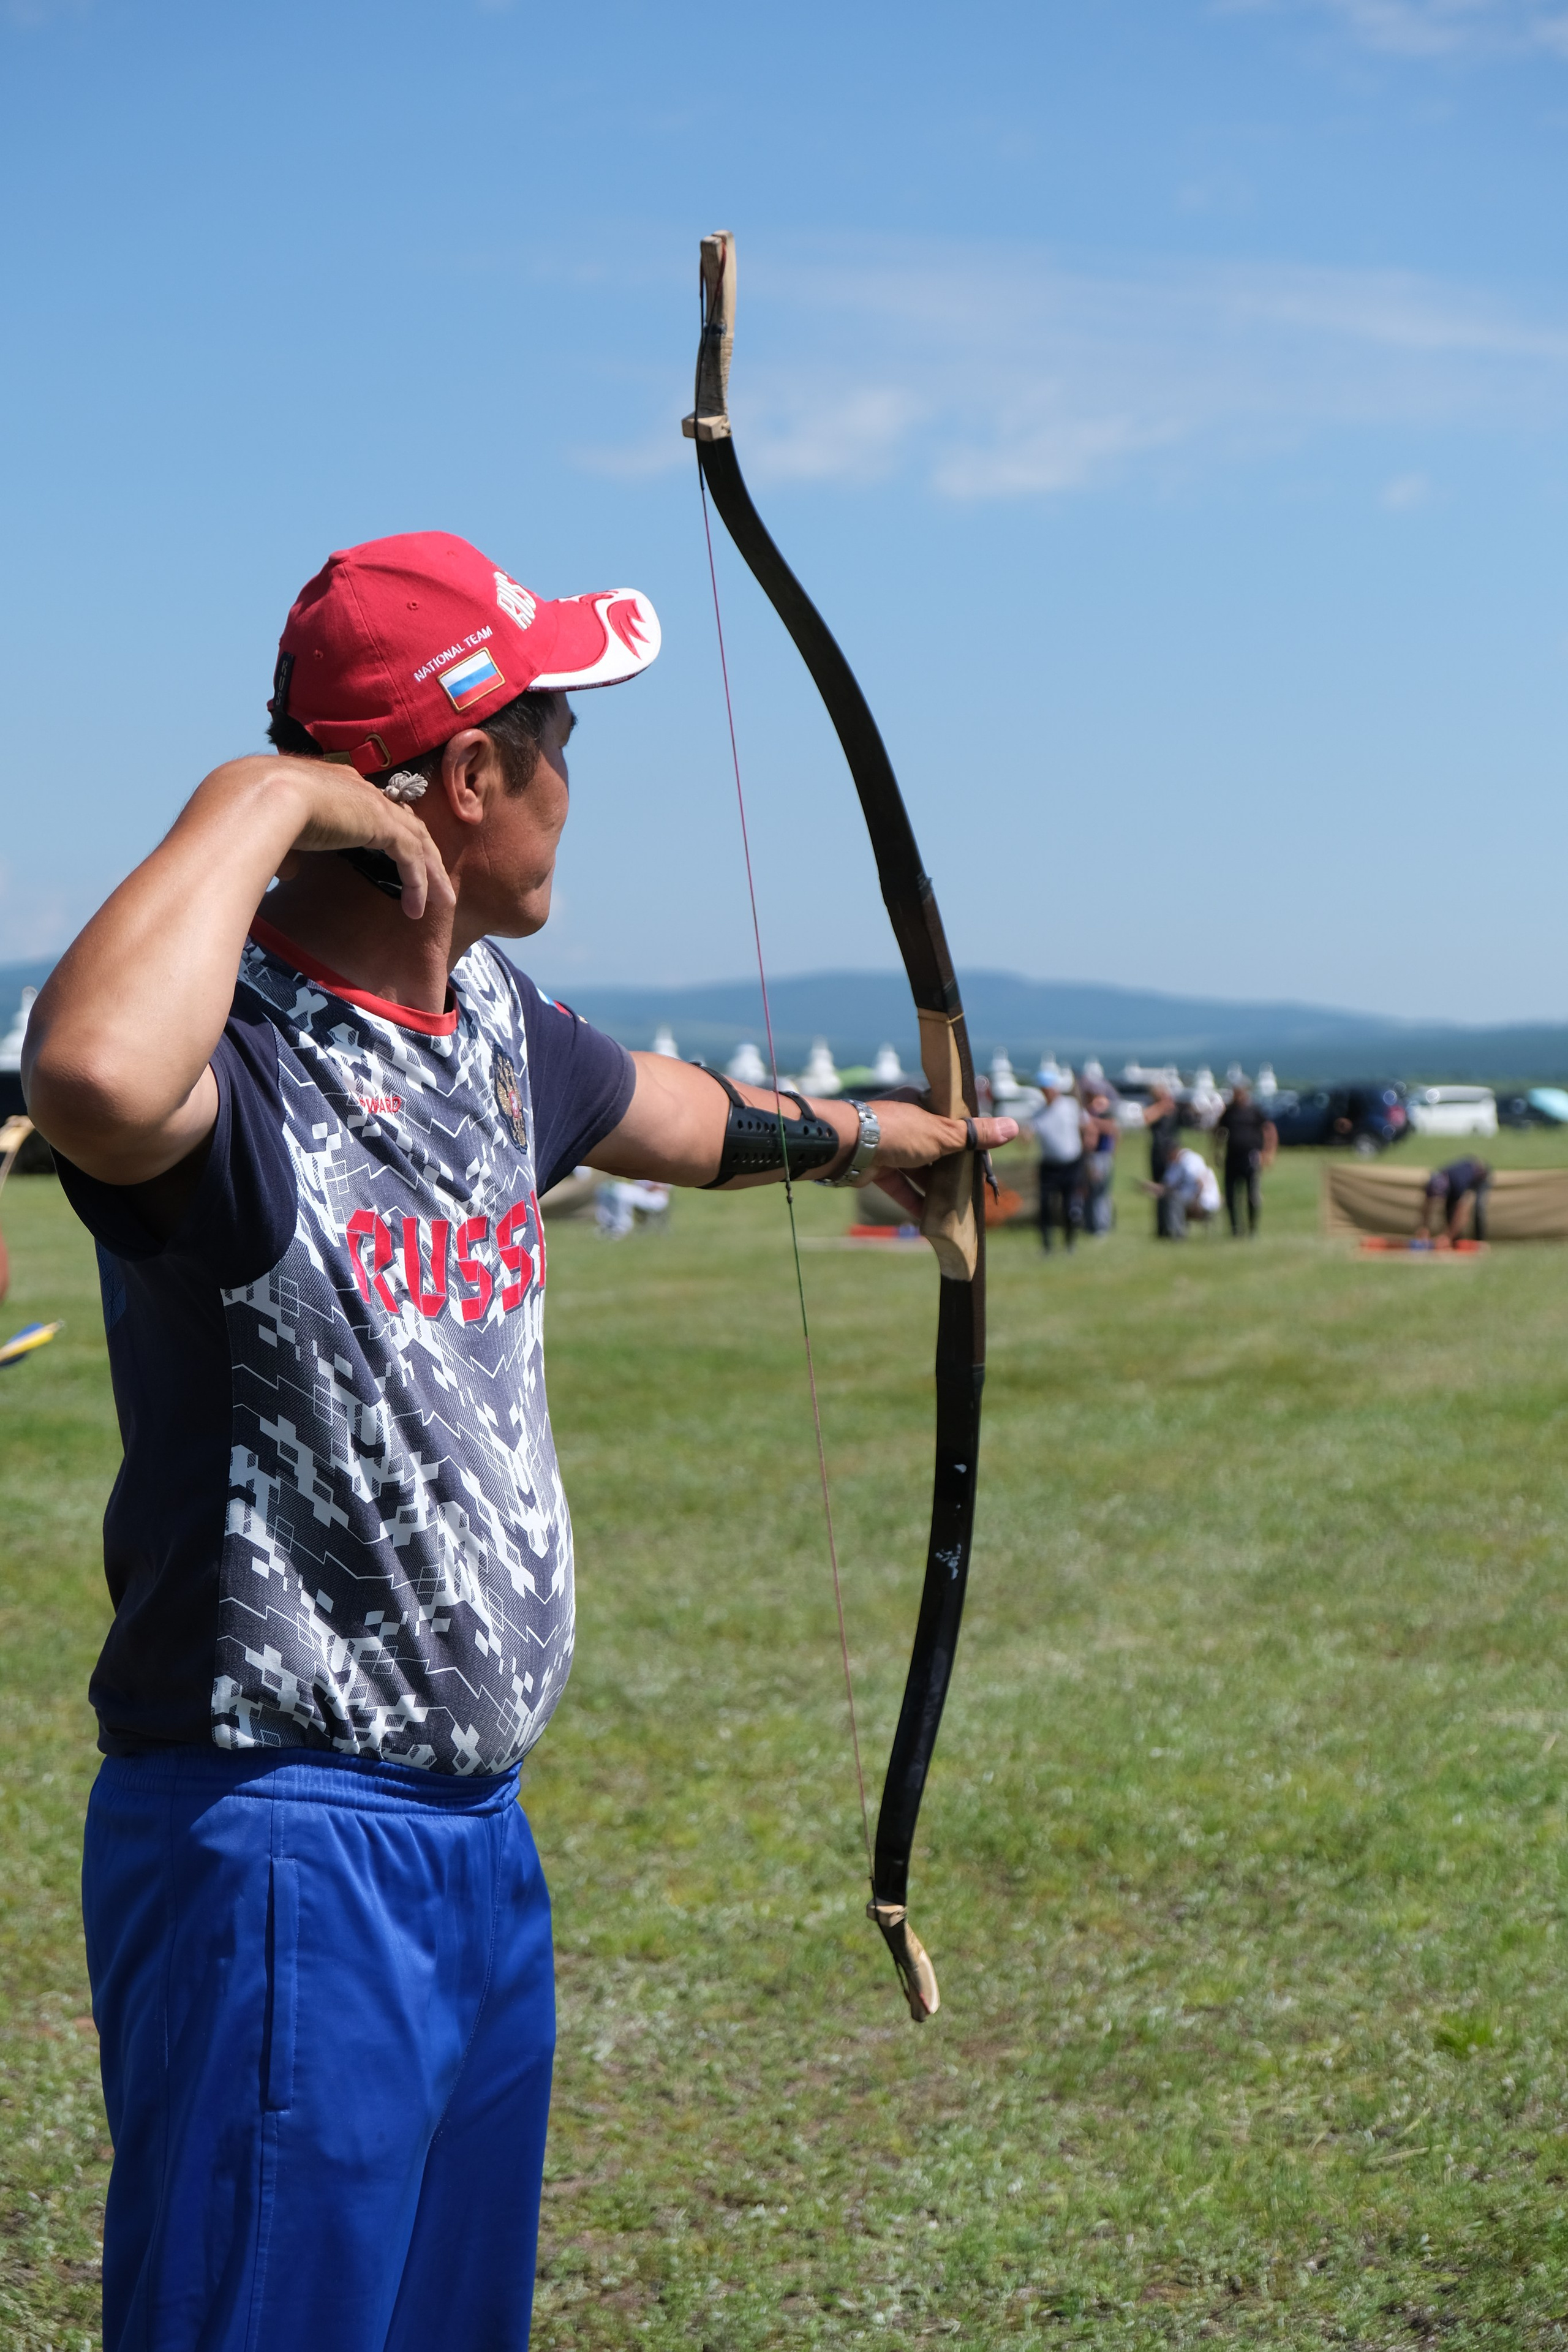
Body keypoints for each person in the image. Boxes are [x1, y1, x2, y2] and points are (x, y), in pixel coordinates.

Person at [20, 528, 1019, 2352]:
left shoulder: (486, 1022)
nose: (573, 778)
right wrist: (259, 794)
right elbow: (83, 1073)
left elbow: (681, 1115)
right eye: (553, 734)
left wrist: (884, 1132)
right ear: (468, 779)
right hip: (283, 1843)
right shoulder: (233, 1062)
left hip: (472, 1839)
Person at [1031, 1065, 1088, 1251]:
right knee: (1046, 1207)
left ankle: (1070, 1243)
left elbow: (1086, 1126)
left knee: (1070, 1207)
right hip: (1049, 1165)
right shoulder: (1038, 1113)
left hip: (1071, 1164)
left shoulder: (1070, 1106)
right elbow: (1029, 1134)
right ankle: (1047, 1246)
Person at [1213, 1080, 1277, 1238]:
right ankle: (1235, 1229)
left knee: (1252, 1195)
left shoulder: (1254, 1111)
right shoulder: (1229, 1112)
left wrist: (1268, 1152)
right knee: (1231, 1196)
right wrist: (1217, 1151)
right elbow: (1218, 1132)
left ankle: (1252, 1229)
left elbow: (1269, 1129)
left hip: (1250, 1157)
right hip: (1232, 1157)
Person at [1149, 1143, 1222, 1238]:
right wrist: (1150, 1187)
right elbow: (1167, 1186)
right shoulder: (1175, 1163)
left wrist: (1196, 1201)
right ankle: (1164, 1233)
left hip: (1203, 1199)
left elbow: (1201, 1183)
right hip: (1188, 1197)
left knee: (1174, 1199)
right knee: (1165, 1197)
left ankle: (1177, 1235)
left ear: (1173, 1152)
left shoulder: (1190, 1160)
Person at [1418, 1155, 1492, 1244]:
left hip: (1480, 1177)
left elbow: (1464, 1215)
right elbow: (1427, 1206)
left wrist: (1448, 1236)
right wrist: (1424, 1228)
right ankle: (1455, 1241)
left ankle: (1480, 1241)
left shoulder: (1458, 1183)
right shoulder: (1432, 1183)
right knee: (1449, 1211)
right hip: (1458, 1179)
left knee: (1478, 1208)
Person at [1143, 1082, 1182, 1238]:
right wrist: (1161, 1106)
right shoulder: (1156, 1109)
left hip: (1171, 1152)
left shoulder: (1174, 1110)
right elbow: (1146, 1118)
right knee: (1158, 1189)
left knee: (1172, 1189)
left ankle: (1173, 1226)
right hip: (1158, 1153)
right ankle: (1162, 1228)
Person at [1082, 1089, 1118, 1235]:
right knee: (1091, 1193)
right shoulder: (1090, 1114)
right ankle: (1091, 1224)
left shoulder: (1103, 1115)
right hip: (1092, 1156)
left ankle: (1101, 1226)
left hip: (1101, 1156)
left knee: (1100, 1193)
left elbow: (1112, 1129)